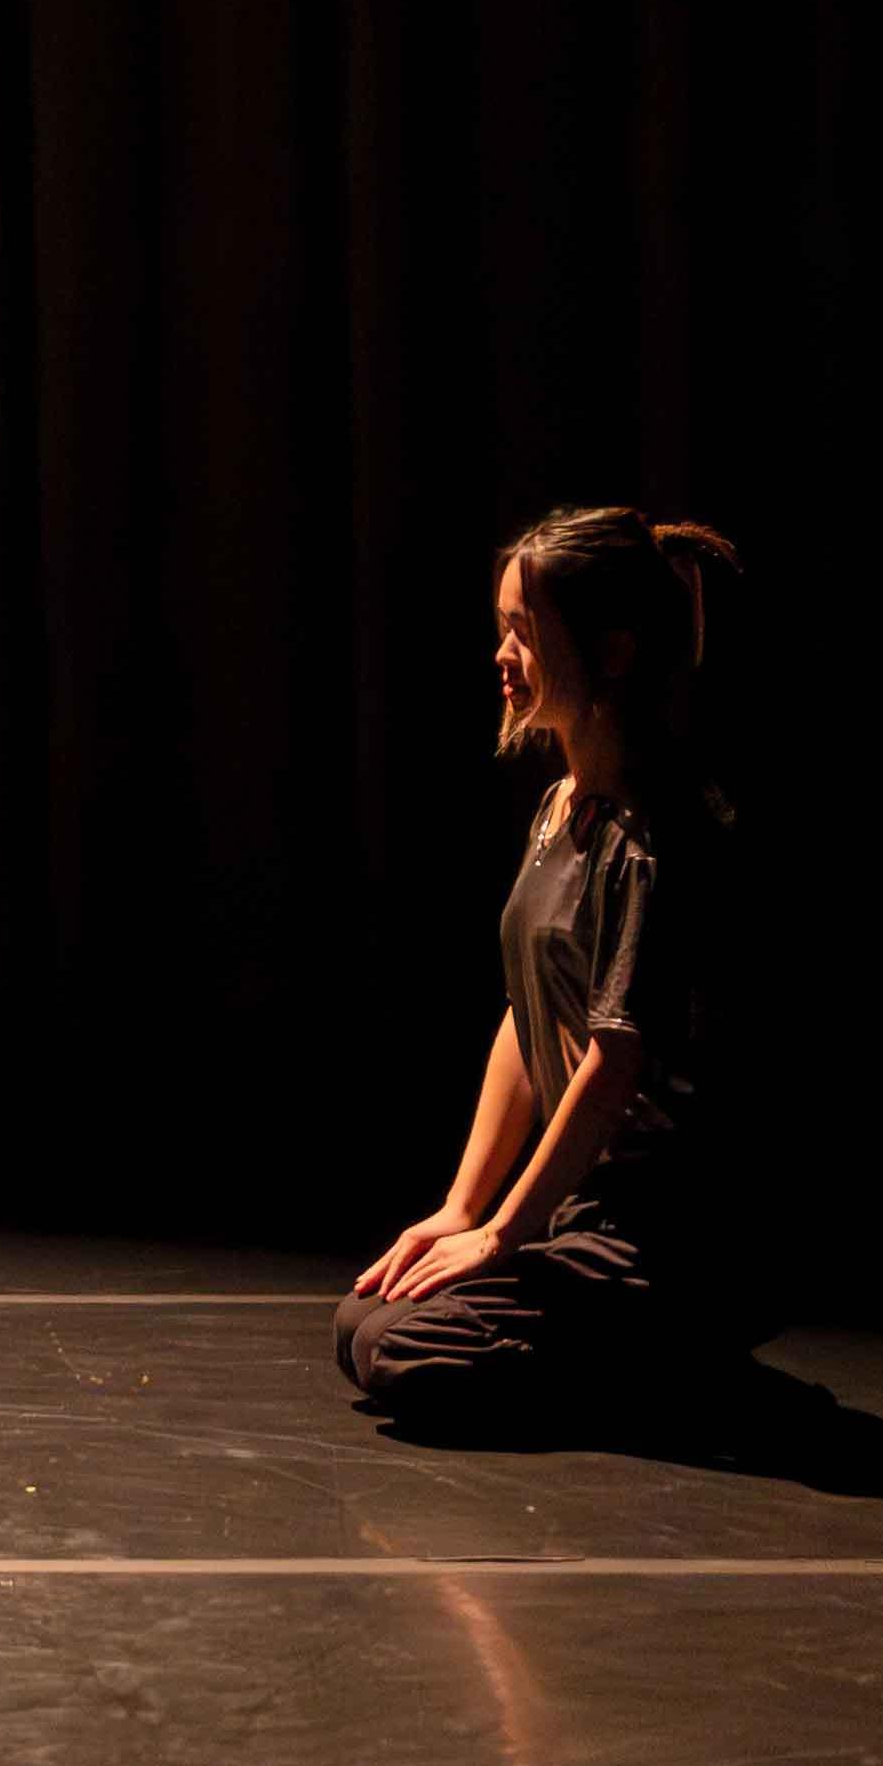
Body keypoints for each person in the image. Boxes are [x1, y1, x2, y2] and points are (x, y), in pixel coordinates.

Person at [336, 509, 776, 1433]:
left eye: (525, 633)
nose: (502, 653)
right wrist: (463, 1206)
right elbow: (524, 1014)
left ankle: (686, 1364)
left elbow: (611, 1063)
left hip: (664, 1230)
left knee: (401, 1349)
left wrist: (506, 1233)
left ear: (611, 652)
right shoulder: (559, 804)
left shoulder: (652, 834)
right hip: (584, 1208)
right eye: (504, 628)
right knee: (364, 1320)